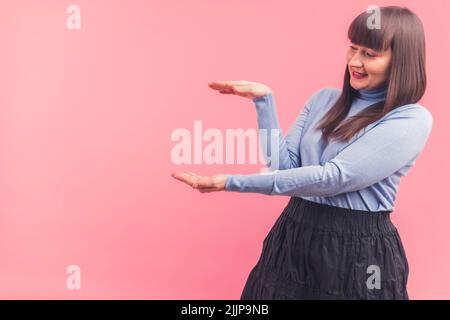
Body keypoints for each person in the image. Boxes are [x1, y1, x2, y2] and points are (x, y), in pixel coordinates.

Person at [172, 6, 433, 299]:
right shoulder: (324, 100)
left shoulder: (410, 119)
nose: (355, 61)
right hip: (294, 232)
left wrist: (230, 182)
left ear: (401, 61)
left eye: (370, 54)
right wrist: (263, 102)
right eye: (353, 48)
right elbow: (283, 168)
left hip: (357, 250)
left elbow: (334, 178)